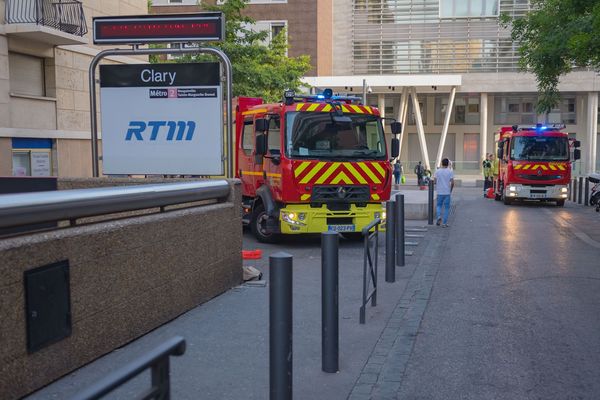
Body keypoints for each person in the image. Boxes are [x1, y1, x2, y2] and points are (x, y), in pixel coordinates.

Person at [434, 158, 454, 228]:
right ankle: (444, 223)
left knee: (439, 205)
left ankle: (439, 216)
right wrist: (450, 190)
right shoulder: (450, 171)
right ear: (448, 164)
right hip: (447, 192)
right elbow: (452, 182)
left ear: (442, 163)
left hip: (439, 192)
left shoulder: (437, 171)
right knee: (446, 208)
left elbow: (435, 181)